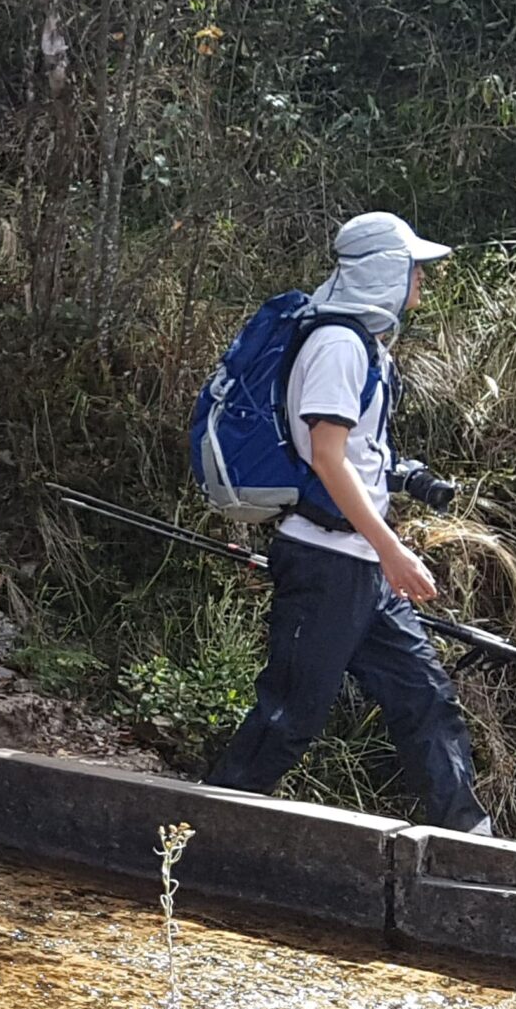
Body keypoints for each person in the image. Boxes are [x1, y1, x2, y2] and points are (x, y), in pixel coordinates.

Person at [206, 213, 491, 831]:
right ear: (386, 272)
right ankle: (198, 835)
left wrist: (404, 479)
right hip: (327, 560)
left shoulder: (362, 346)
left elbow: (354, 456)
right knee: (290, 716)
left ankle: (473, 840)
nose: (422, 282)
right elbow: (328, 458)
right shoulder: (337, 345)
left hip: (359, 566)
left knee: (425, 699)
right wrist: (393, 550)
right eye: (416, 269)